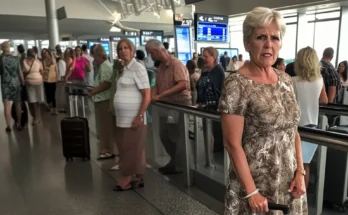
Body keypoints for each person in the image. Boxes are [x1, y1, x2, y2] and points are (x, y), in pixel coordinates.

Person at [218, 7, 307, 214]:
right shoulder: (236, 84)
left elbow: (293, 131)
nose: (268, 44)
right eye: (261, 37)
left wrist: (300, 173)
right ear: (248, 43)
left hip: (289, 185)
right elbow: (231, 143)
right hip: (256, 189)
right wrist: (252, 192)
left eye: (275, 38)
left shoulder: (285, 79)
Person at [146, 39, 191, 174]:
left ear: (157, 51)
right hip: (167, 105)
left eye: (151, 53)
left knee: (178, 136)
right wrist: (151, 97)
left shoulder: (176, 64)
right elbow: (156, 85)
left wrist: (161, 95)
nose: (151, 56)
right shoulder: (160, 68)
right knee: (165, 134)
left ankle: (179, 165)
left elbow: (183, 84)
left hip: (179, 104)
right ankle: (174, 160)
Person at [113, 38, 151, 191]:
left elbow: (146, 95)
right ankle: (138, 176)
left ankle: (126, 178)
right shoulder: (124, 68)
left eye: (126, 48)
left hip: (134, 117)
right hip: (123, 118)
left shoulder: (137, 67)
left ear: (132, 50)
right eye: (120, 48)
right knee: (136, 148)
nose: (123, 51)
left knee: (129, 148)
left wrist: (139, 116)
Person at [292, 46, 328, 189]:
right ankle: (302, 197)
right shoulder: (319, 80)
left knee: (293, 164)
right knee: (305, 165)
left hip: (296, 128)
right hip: (313, 128)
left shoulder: (293, 80)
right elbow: (324, 100)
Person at [196, 47, 225, 167]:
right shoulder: (206, 71)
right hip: (206, 108)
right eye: (203, 56)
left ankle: (216, 162)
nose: (204, 58)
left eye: (206, 56)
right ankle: (210, 160)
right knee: (209, 135)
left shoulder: (218, 71)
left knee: (216, 135)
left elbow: (219, 91)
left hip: (215, 109)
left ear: (214, 57)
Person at [88, 44, 116, 160]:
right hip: (102, 100)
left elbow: (106, 83)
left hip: (104, 100)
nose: (94, 59)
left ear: (99, 55)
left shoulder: (106, 66)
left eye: (94, 56)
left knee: (105, 126)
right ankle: (106, 148)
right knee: (104, 126)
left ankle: (107, 149)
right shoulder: (105, 66)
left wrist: (93, 92)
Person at [0, 41, 24, 131]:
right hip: (15, 83)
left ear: (2, 48)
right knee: (18, 103)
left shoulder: (0, 59)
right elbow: (20, 72)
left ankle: (8, 125)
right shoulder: (16, 58)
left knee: (7, 105)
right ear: (9, 48)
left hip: (5, 83)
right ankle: (19, 123)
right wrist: (22, 82)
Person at [23, 49, 44, 125]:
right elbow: (42, 71)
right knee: (37, 100)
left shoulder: (24, 61)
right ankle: (37, 117)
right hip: (38, 81)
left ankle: (35, 117)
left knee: (32, 101)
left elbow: (23, 72)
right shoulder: (38, 61)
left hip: (29, 82)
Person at [109, 59, 123, 171]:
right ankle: (122, 160)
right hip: (116, 107)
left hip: (127, 109)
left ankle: (126, 161)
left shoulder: (135, 70)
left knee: (126, 137)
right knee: (118, 135)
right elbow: (113, 89)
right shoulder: (116, 73)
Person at [42, 48, 58, 115]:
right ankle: (49, 106)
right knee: (47, 93)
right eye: (43, 53)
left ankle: (54, 109)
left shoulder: (52, 59)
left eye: (45, 52)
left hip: (52, 78)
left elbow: (55, 66)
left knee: (53, 94)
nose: (44, 54)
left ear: (48, 53)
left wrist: (57, 76)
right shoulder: (43, 60)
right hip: (45, 79)